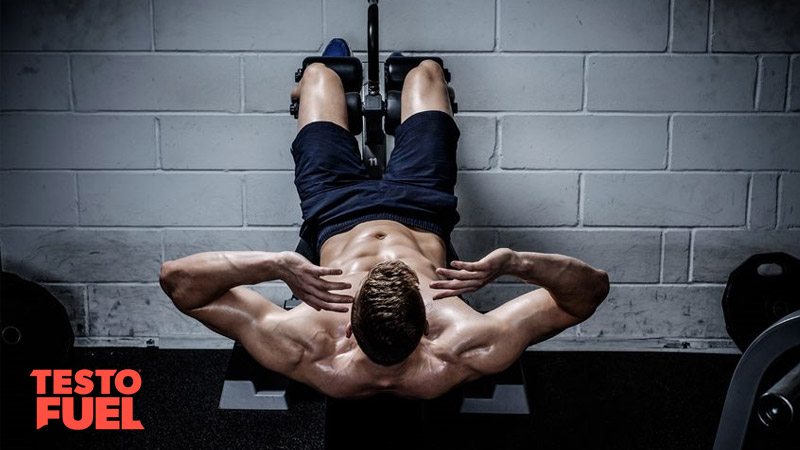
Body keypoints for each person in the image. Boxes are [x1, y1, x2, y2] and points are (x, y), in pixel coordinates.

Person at [159, 39, 609, 399]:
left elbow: (179, 282)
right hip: (422, 208)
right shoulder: (461, 346)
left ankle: (321, 81)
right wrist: (514, 263)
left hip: (334, 208)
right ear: (427, 324)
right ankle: (408, 74)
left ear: (348, 323)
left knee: (320, 74)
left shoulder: (309, 348)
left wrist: (277, 265)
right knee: (427, 72)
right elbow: (587, 293)